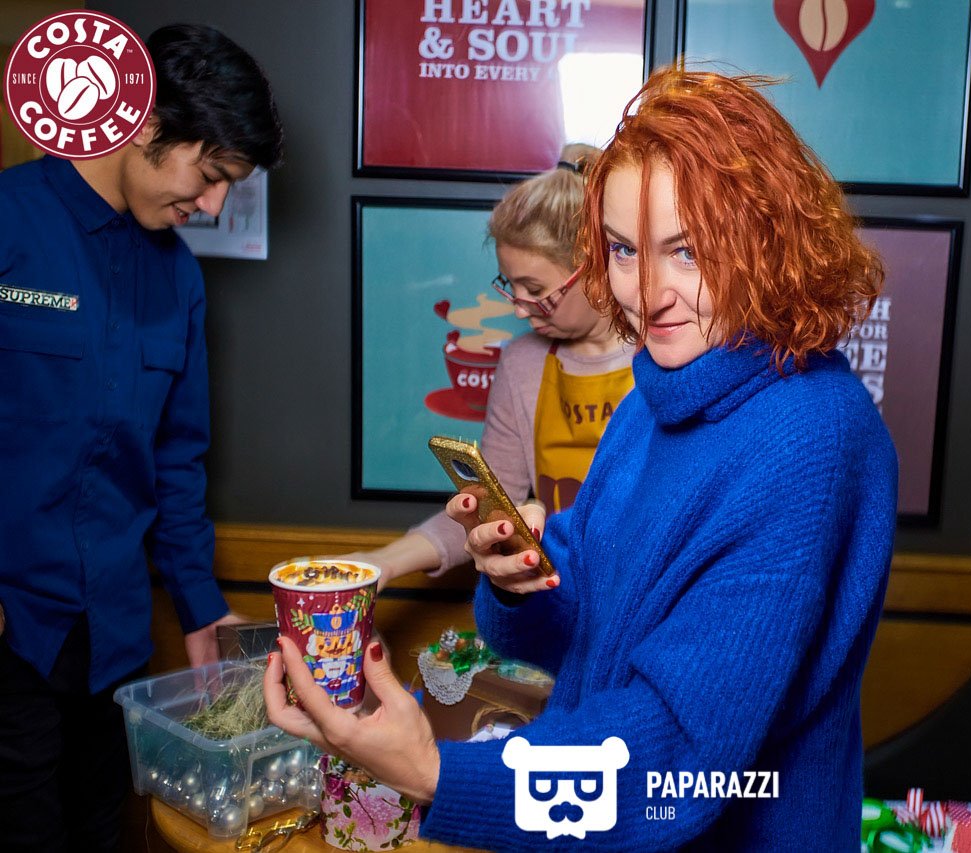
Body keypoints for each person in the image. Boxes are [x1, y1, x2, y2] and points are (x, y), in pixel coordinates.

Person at [265, 67, 896, 850]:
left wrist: (434, 771)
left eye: (687, 251)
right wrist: (521, 581)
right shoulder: (656, 394)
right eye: (625, 250)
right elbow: (588, 625)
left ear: (768, 239)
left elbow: (677, 762)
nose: (648, 292)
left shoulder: (810, 438)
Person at [0, 24, 283, 851]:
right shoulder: (11, 222)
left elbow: (176, 458)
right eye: (212, 174)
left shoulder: (177, 274)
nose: (214, 205)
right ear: (147, 122)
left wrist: (200, 607)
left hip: (113, 636)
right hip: (14, 630)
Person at [346, 144, 635, 587]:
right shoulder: (522, 364)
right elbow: (490, 509)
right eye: (510, 286)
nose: (519, 309)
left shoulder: (664, 357)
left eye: (535, 289)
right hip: (560, 594)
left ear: (596, 267)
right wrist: (381, 564)